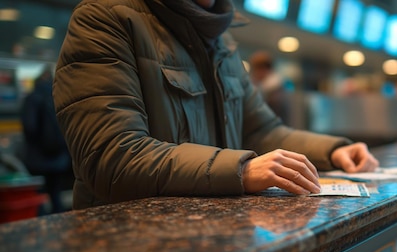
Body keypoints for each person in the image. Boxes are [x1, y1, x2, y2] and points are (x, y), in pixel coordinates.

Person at [52, 0, 379, 210]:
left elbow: (261, 130)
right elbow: (112, 156)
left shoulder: (221, 39)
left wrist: (334, 150)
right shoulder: (103, 19)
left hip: (213, 239)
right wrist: (241, 170)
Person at [21, 69, 71, 214]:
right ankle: (60, 224)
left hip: (38, 159)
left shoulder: (32, 98)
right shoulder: (59, 96)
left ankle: (42, 227)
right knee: (56, 194)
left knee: (39, 196)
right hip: (58, 158)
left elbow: (30, 127)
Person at [248, 50, 291, 125]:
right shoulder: (274, 87)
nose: (254, 74)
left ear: (263, 69)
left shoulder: (274, 92)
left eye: (255, 69)